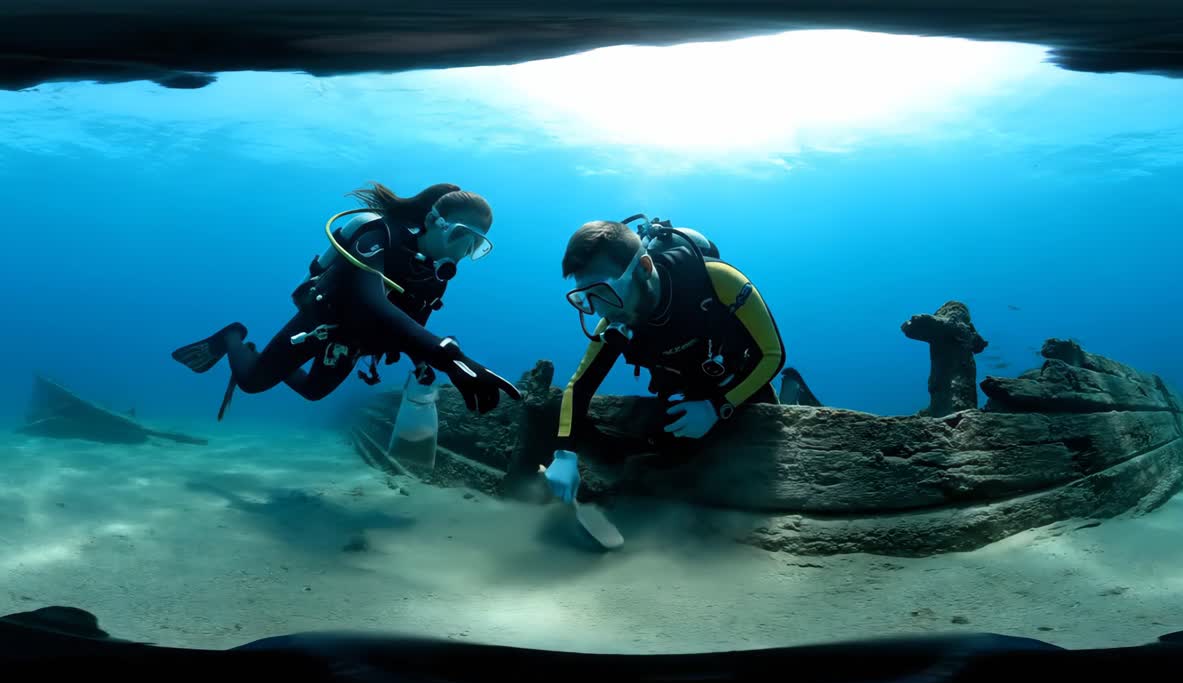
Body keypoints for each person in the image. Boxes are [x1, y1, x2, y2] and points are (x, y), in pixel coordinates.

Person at [171, 182, 521, 416]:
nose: (464, 250)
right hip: (321, 322)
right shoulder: (378, 234)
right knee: (252, 383)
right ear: (434, 220)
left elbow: (411, 324)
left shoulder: (435, 273)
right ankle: (235, 337)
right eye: (462, 235)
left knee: (313, 391)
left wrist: (423, 362)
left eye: (477, 246)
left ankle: (265, 357)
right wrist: (448, 355)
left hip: (355, 340)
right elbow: (371, 302)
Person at [543, 216, 785, 502]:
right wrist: (564, 454)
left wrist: (718, 406)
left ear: (644, 268)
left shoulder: (717, 280)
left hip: (740, 387)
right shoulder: (615, 321)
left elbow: (772, 354)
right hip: (682, 399)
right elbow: (579, 387)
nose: (598, 310)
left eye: (604, 291)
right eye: (585, 299)